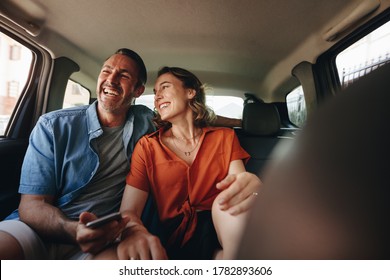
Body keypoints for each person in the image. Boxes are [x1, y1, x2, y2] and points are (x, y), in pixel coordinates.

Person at [0, 49, 261, 260]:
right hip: (39, 229)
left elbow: (196, 125)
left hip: (104, 237)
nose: (111, 80)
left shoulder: (147, 122)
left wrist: (250, 124)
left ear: (137, 91)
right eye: (106, 71)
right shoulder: (54, 125)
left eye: (123, 75)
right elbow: (31, 206)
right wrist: (83, 230)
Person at [94, 66, 260, 260]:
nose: (157, 97)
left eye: (165, 87)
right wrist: (134, 232)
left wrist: (255, 192)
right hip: (170, 239)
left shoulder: (225, 137)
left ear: (190, 92)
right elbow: (129, 210)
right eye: (155, 93)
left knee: (228, 204)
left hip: (220, 229)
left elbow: (239, 189)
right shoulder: (148, 146)